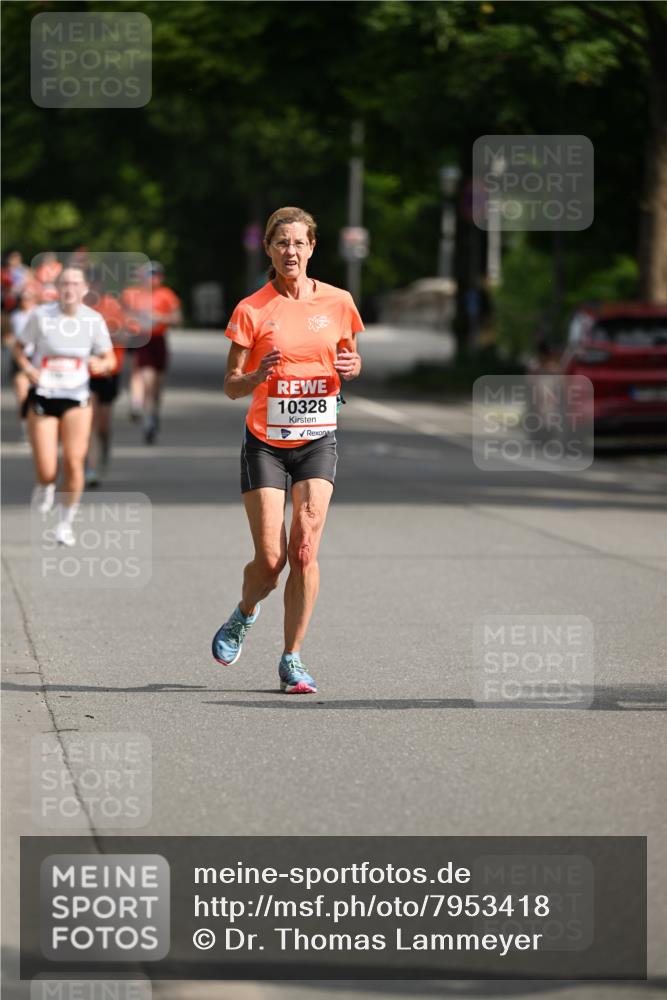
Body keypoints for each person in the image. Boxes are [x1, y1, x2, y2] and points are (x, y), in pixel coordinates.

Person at [212, 206, 363, 694]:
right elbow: (232, 386)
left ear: (313, 247)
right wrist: (257, 376)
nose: (291, 251)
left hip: (318, 438)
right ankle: (245, 612)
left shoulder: (339, 302)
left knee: (304, 548)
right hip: (266, 445)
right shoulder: (251, 309)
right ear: (269, 249)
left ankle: (292, 658)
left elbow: (348, 360)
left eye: (299, 243)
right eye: (281, 243)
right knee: (272, 561)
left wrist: (352, 366)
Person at [13, 266, 115, 545]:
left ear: (84, 290)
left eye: (75, 283)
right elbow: (19, 348)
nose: (70, 288)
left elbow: (110, 359)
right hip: (44, 394)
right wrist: (26, 368)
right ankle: (45, 486)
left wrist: (101, 364)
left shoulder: (93, 320)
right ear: (57, 288)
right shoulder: (41, 316)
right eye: (65, 283)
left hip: (77, 397)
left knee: (73, 461)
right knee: (47, 468)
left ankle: (65, 524)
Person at [121, 261, 181, 443]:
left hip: (158, 340)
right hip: (140, 339)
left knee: (157, 383)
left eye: (156, 275)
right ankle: (138, 406)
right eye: (149, 275)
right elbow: (121, 315)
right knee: (143, 375)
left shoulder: (167, 295)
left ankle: (152, 413)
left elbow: (177, 318)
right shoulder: (131, 294)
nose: (153, 279)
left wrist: (160, 317)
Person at [85, 271, 127, 486]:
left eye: (95, 283)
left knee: (103, 424)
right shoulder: (76, 309)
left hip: (110, 370)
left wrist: (103, 335)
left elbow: (125, 335)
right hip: (84, 373)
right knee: (90, 422)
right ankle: (90, 469)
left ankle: (105, 447)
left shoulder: (112, 306)